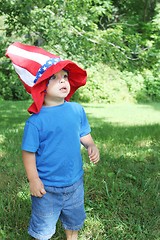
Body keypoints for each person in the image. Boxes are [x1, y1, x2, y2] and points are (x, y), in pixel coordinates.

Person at [6, 42, 100, 240]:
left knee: (74, 221)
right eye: (55, 78)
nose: (63, 81)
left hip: (75, 182)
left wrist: (91, 145)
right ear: (42, 86)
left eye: (65, 76)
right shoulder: (36, 121)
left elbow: (83, 132)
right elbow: (28, 152)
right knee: (43, 228)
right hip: (47, 187)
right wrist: (33, 179)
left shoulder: (76, 110)